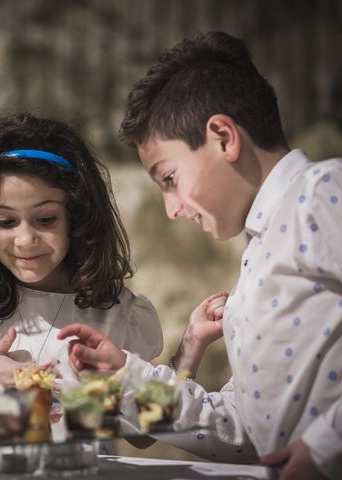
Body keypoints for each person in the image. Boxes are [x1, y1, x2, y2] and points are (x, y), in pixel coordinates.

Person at [58, 31, 341, 480]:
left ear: (224, 137)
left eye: (169, 178)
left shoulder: (321, 194)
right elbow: (239, 430)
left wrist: (326, 447)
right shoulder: (259, 250)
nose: (171, 209)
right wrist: (126, 381)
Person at [0, 112, 224, 426]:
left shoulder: (116, 312)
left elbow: (144, 433)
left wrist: (190, 347)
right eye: (6, 221)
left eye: (45, 219)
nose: (25, 239)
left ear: (77, 216)